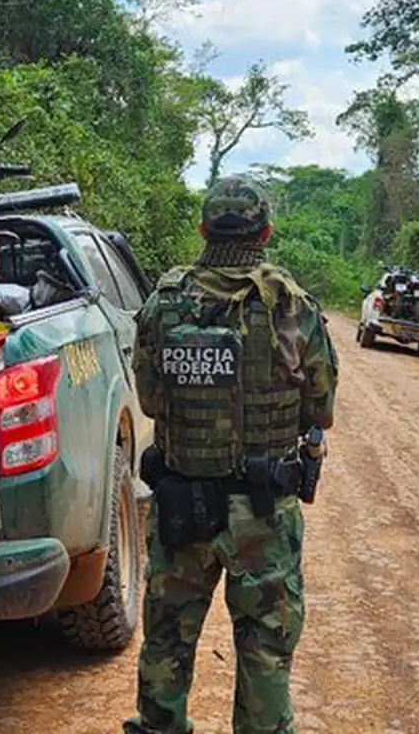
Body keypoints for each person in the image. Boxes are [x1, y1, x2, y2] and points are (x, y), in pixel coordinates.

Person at [125, 175, 338, 734]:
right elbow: (322, 408)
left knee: (168, 639)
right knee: (265, 649)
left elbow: (149, 400)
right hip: (264, 513)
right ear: (265, 232)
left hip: (180, 508)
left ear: (202, 230)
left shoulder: (164, 301)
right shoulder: (293, 305)